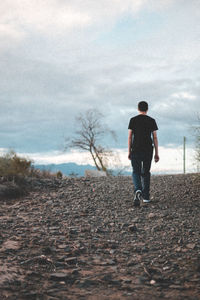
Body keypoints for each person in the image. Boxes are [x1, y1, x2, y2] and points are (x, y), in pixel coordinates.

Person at [128, 101, 159, 206]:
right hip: (148, 150)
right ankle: (146, 197)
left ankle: (138, 190)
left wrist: (129, 151)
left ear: (138, 109)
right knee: (146, 172)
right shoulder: (152, 121)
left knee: (136, 172)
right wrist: (156, 153)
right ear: (147, 109)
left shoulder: (133, 120)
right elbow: (154, 137)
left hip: (136, 149)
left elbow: (130, 136)